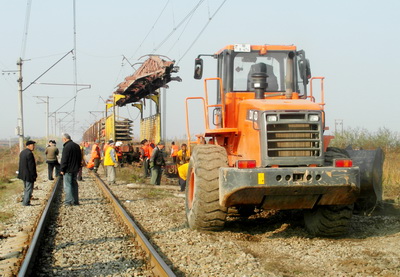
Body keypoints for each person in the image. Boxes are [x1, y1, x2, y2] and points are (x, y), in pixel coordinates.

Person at [60, 133, 82, 206]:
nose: (62, 141)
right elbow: (80, 158)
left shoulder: (67, 147)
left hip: (68, 169)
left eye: (62, 139)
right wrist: (78, 167)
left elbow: (64, 159)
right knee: (74, 184)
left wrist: (62, 169)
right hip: (75, 169)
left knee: (68, 185)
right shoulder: (76, 146)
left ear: (65, 139)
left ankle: (68, 201)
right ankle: (76, 201)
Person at [18, 140, 37, 206]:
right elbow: (31, 166)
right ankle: (26, 203)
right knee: (29, 189)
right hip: (28, 174)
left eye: (34, 145)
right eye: (32, 145)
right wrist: (34, 175)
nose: (34, 147)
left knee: (26, 188)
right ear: (28, 146)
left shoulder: (22, 152)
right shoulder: (29, 153)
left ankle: (25, 200)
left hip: (23, 174)